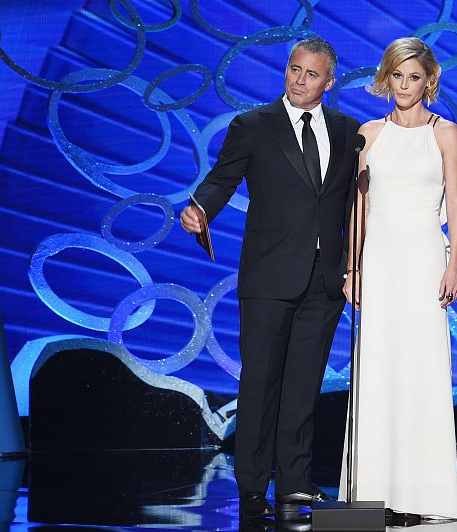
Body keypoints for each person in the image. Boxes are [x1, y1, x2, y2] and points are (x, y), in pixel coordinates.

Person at [180, 37, 360, 520]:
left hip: (325, 279)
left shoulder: (349, 132)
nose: (300, 80)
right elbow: (222, 178)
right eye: (294, 69)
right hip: (268, 276)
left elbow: (352, 204)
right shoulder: (254, 125)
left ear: (329, 81)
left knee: (304, 387)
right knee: (260, 385)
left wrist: (353, 265)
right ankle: (253, 489)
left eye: (311, 74)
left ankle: (296, 484)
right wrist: (200, 208)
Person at [338, 37, 457, 524]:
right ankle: (371, 495)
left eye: (413, 77)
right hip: (378, 261)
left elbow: (456, 202)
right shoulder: (369, 134)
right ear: (386, 77)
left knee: (422, 369)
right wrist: (352, 268)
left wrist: (454, 265)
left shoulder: (446, 133)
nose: (404, 85)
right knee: (377, 370)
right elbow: (360, 206)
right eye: (397, 75)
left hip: (423, 260)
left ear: (429, 81)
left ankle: (426, 492)